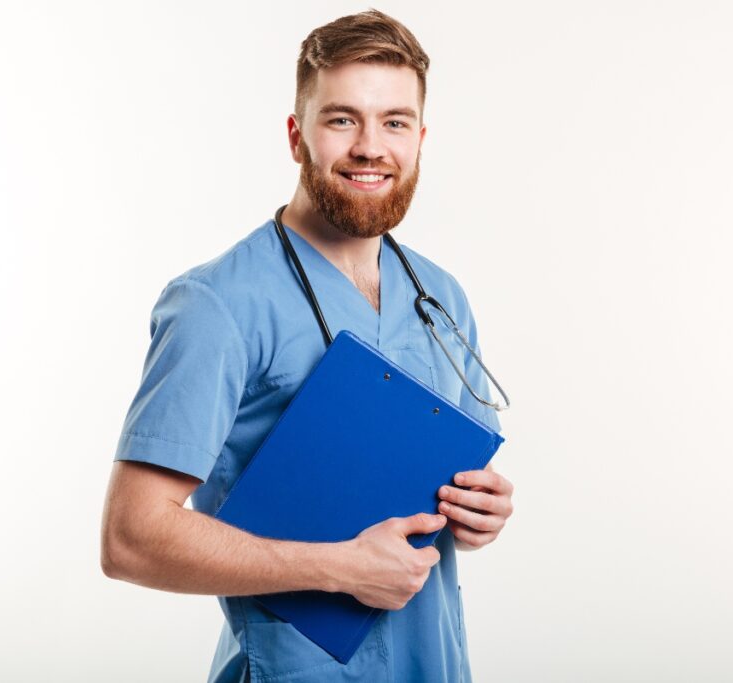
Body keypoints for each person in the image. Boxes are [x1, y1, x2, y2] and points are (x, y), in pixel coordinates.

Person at [100, 9, 515, 682]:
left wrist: (481, 510)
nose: (371, 147)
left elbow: (453, 495)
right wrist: (336, 567)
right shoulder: (218, 304)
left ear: (420, 138)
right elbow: (130, 538)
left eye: (395, 122)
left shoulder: (441, 297)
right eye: (342, 119)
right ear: (297, 136)